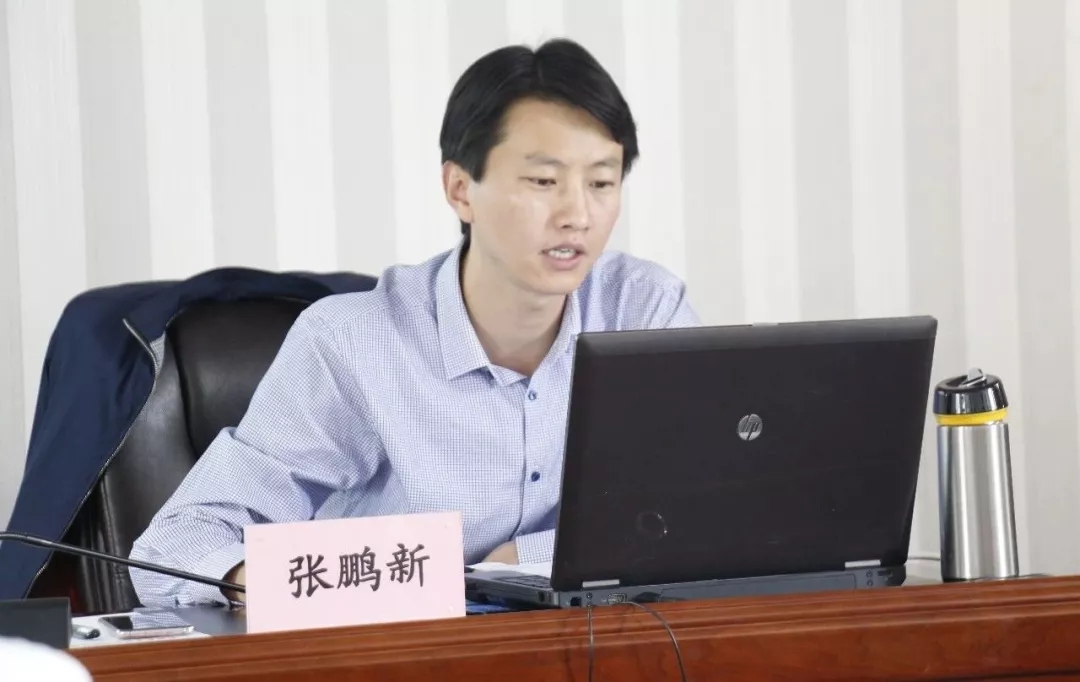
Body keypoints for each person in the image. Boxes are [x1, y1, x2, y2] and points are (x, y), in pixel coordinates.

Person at [129, 37, 700, 607]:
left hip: (600, 641)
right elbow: (175, 544)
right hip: (400, 640)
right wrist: (275, 582)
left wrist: (518, 560)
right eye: (543, 182)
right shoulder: (352, 344)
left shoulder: (643, 310)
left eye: (601, 183)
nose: (577, 215)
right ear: (460, 189)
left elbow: (708, 507)